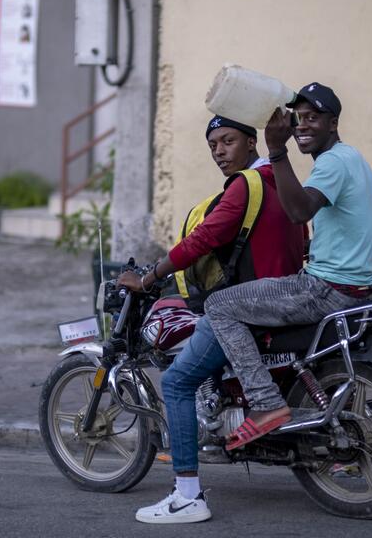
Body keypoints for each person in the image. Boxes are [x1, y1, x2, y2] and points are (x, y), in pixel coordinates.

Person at [118, 115, 306, 524]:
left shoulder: (245, 186)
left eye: (228, 141)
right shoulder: (280, 180)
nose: (220, 151)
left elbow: (204, 237)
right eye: (213, 145)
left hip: (250, 307)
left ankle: (187, 495)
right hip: (286, 296)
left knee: (176, 380)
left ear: (252, 143)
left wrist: (150, 276)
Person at [204, 82, 372, 451]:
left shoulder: (331, 163)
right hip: (362, 287)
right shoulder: (354, 159)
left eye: (313, 118)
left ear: (333, 123)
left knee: (218, 305)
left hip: (327, 289)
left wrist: (276, 150)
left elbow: (299, 210)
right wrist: (320, 247)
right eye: (298, 118)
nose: (302, 125)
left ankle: (266, 403)